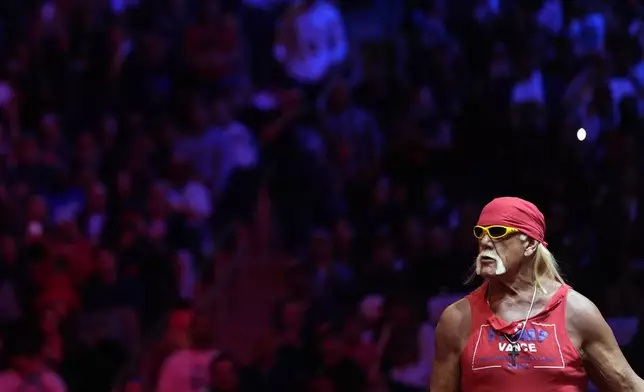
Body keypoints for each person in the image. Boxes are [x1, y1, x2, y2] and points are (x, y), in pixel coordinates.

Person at [430, 197, 644, 392]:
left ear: (530, 244)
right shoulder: (456, 319)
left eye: (497, 232)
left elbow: (629, 386)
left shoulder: (577, 313)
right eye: (480, 232)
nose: (485, 241)